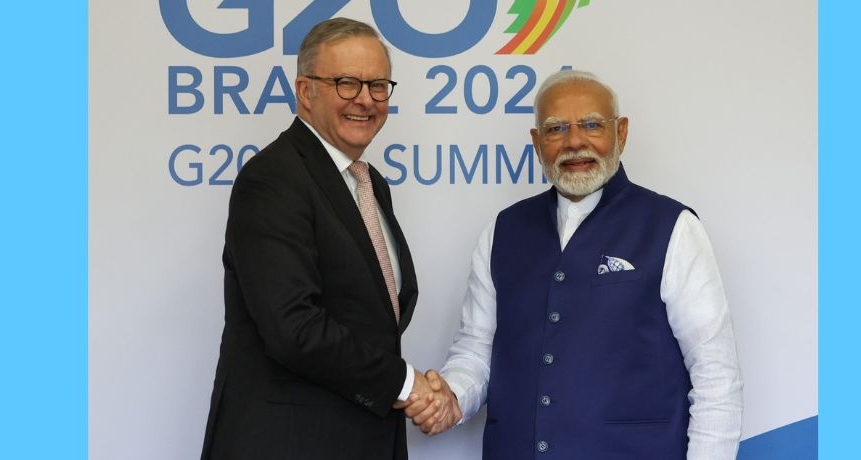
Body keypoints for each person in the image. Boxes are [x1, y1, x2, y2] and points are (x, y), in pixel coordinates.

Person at [405, 69, 744, 459]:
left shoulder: (673, 227)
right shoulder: (502, 231)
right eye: (556, 129)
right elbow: (477, 351)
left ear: (622, 133)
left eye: (592, 125)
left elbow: (716, 375)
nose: (575, 142)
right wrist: (450, 397)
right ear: (536, 142)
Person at [200, 18, 452, 460]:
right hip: (288, 443)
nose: (365, 99)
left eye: (377, 85)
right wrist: (409, 385)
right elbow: (292, 328)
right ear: (305, 91)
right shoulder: (274, 179)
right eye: (346, 83)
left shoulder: (369, 183)